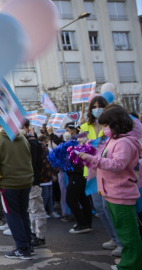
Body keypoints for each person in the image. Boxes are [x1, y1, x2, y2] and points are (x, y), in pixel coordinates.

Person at [79, 104, 142, 270]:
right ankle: (128, 262)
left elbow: (118, 164)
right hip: (112, 192)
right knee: (122, 231)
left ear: (116, 124)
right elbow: (101, 156)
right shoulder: (113, 140)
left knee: (129, 235)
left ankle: (131, 265)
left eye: (106, 125)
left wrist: (92, 159)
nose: (104, 129)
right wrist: (87, 151)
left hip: (121, 193)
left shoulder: (124, 142)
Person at [81, 96, 122, 255]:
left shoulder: (114, 127)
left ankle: (120, 241)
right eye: (94, 106)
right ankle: (113, 238)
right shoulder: (85, 126)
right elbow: (81, 146)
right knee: (100, 207)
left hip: (107, 171)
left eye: (100, 106)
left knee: (109, 207)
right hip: (91, 172)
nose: (97, 109)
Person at [0, 122, 34, 260]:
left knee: (12, 215)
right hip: (26, 181)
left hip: (8, 183)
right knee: (23, 213)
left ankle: (22, 248)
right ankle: (28, 245)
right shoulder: (23, 139)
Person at [62, 123, 93, 234]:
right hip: (78, 173)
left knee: (71, 199)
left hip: (78, 173)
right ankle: (86, 223)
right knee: (83, 199)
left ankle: (83, 223)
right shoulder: (77, 142)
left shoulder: (81, 142)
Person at [21, 120, 48, 249]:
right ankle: (33, 233)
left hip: (32, 180)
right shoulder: (27, 141)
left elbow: (31, 164)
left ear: (26, 128)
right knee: (31, 209)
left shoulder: (31, 143)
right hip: (28, 180)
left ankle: (40, 236)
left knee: (37, 208)